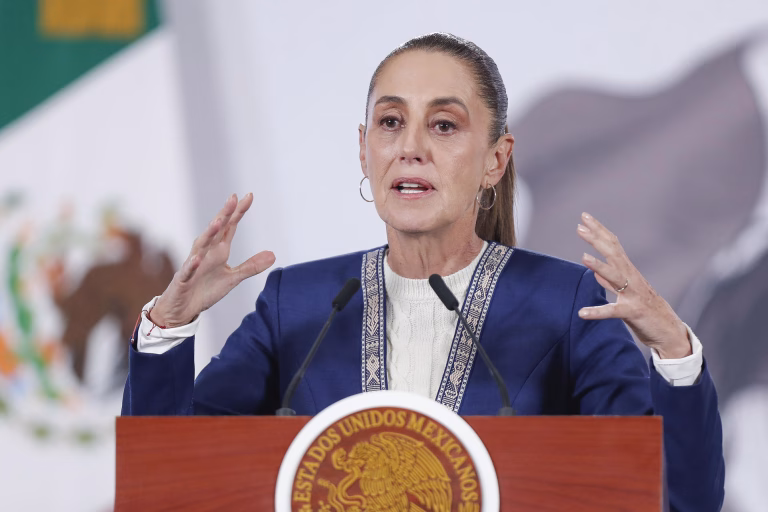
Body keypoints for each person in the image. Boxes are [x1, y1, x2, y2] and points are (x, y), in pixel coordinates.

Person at [121, 33, 724, 510]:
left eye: (443, 125)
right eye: (391, 122)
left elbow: (680, 500)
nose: (411, 147)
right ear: (364, 149)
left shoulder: (563, 302)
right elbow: (167, 489)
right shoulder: (298, 304)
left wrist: (674, 352)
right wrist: (168, 328)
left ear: (495, 159)